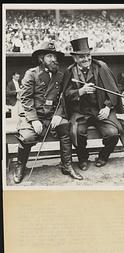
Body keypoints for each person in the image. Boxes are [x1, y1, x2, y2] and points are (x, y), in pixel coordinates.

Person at [13, 41, 83, 184]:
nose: (54, 59)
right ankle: (20, 166)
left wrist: (59, 114)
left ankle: (66, 165)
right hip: (33, 116)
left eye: (55, 56)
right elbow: (25, 99)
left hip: (52, 116)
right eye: (50, 56)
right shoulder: (31, 74)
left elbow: (63, 97)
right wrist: (33, 120)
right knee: (26, 137)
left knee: (66, 127)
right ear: (41, 58)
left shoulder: (60, 75)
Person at [62, 37, 124, 171]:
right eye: (82, 57)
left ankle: (103, 156)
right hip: (81, 112)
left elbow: (113, 90)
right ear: (75, 58)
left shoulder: (101, 67)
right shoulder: (70, 71)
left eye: (88, 55)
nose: (86, 59)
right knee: (77, 133)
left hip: (101, 110)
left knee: (113, 133)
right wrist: (80, 91)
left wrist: (107, 107)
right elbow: (66, 95)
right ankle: (83, 158)